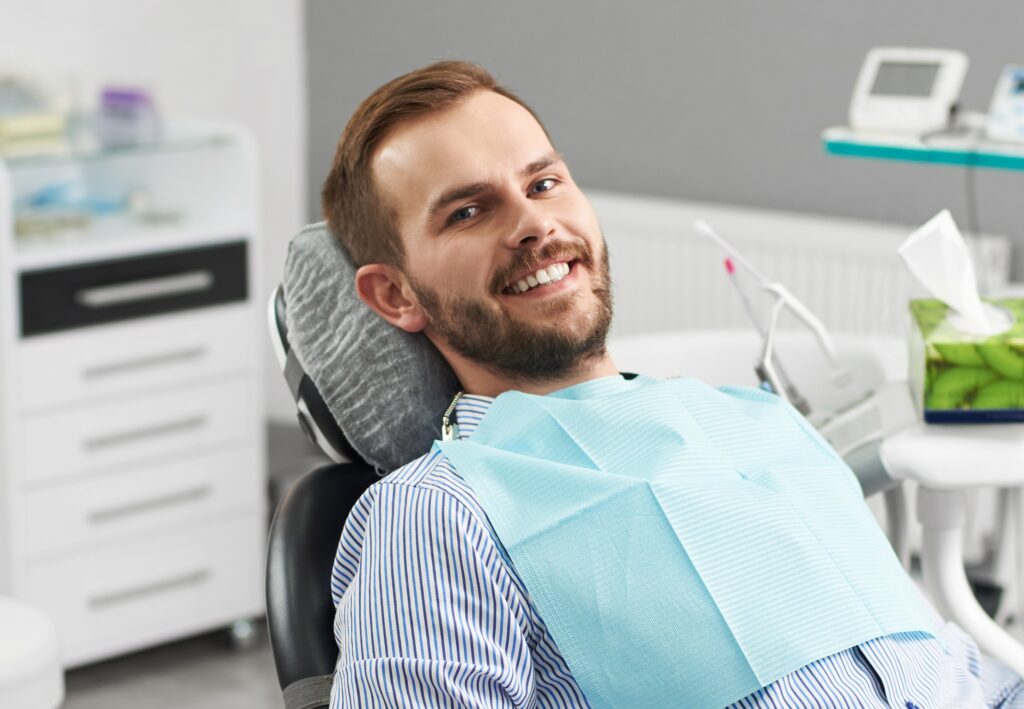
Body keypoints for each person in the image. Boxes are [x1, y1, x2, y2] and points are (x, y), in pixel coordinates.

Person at [319, 61, 1023, 708]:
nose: (534, 223)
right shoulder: (438, 518)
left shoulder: (756, 419)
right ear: (395, 295)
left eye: (543, 184)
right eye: (468, 212)